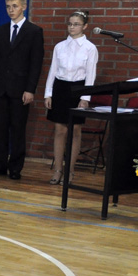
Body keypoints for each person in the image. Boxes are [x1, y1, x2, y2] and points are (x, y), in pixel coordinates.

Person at [0, 0, 44, 180]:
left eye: (15, 6)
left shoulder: (34, 32)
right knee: (0, 128)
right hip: (1, 87)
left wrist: (30, 89)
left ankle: (16, 168)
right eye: (8, 7)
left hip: (20, 89)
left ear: (23, 7)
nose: (11, 10)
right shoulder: (0, 31)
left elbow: (36, 64)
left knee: (18, 129)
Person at [44, 11, 98, 185]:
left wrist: (85, 97)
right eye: (70, 24)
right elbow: (53, 71)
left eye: (76, 24)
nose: (72, 27)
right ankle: (58, 169)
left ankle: (70, 170)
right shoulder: (60, 46)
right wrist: (48, 93)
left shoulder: (90, 48)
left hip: (78, 89)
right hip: (60, 88)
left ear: (85, 26)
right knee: (60, 130)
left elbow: (91, 74)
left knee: (75, 130)